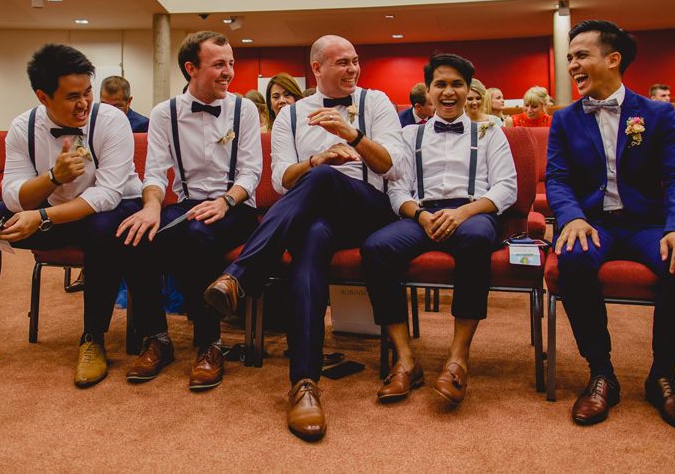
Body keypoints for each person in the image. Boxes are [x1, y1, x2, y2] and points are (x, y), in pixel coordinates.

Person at [202, 35, 404, 441]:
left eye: (355, 61)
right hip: (314, 215)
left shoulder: (376, 103)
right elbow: (280, 181)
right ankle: (304, 384)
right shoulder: (290, 116)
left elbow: (394, 169)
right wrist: (315, 159)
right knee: (311, 232)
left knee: (326, 179)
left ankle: (241, 274)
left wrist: (352, 137)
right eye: (342, 63)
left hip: (367, 210)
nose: (352, 70)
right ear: (316, 69)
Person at [0, 44, 144, 388]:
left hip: (112, 210)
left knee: (103, 229)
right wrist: (54, 177)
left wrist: (41, 217)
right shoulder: (22, 127)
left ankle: (93, 339)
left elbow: (106, 195)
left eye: (88, 92)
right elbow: (12, 193)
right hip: (54, 210)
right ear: (43, 97)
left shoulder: (112, 120)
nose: (84, 103)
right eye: (72, 96)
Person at [546, 19, 675, 432]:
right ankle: (601, 372)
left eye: (581, 55)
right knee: (571, 258)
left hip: (648, 223)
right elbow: (556, 177)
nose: (572, 64)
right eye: (569, 57)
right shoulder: (565, 118)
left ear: (613, 59)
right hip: (594, 223)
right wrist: (571, 217)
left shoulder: (657, 114)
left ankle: (663, 373)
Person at [361, 53, 516, 406]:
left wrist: (462, 213)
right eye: (440, 85)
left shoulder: (490, 132)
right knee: (375, 248)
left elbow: (506, 187)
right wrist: (419, 215)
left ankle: (458, 358)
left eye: (456, 85)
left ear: (468, 90)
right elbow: (397, 188)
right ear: (428, 91)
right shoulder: (408, 134)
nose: (448, 92)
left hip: (473, 212)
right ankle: (406, 359)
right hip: (423, 215)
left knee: (476, 240)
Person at [116, 31, 262, 390]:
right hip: (186, 205)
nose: (229, 72)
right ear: (191, 68)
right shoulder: (164, 113)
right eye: (219, 65)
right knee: (134, 235)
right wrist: (151, 208)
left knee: (198, 236)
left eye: (231, 63)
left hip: (236, 207)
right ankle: (157, 338)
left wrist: (226, 201)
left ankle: (208, 344)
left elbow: (251, 172)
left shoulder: (243, 109)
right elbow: (153, 172)